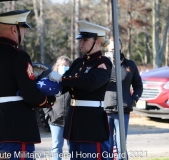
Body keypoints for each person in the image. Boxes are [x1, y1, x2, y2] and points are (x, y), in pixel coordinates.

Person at [0, 10, 56, 160]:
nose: (25, 33)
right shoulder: (19, 56)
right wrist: (49, 100)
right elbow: (29, 93)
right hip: (17, 125)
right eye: (23, 29)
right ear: (14, 29)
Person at [49, 21, 112, 160]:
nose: (81, 43)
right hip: (74, 122)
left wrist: (61, 79)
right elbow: (64, 86)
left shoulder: (103, 63)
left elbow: (91, 83)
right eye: (80, 39)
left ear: (97, 42)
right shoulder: (78, 62)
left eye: (85, 40)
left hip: (92, 124)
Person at [104, 38, 143, 160]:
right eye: (111, 49)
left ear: (121, 48)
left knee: (121, 147)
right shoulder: (102, 65)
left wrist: (134, 99)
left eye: (116, 48)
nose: (113, 51)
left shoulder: (130, 65)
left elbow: (138, 85)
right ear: (107, 49)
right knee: (108, 146)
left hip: (123, 111)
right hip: (105, 111)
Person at [43, 55, 71, 160]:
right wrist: (49, 113)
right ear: (57, 66)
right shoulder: (50, 82)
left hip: (70, 120)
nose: (64, 67)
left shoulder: (71, 82)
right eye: (62, 65)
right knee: (56, 147)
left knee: (72, 147)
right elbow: (43, 98)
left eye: (66, 65)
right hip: (55, 119)